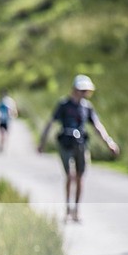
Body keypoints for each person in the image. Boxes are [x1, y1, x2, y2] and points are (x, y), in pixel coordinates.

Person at [37, 74, 119, 222]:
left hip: (81, 144)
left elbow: (97, 126)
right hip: (65, 144)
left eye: (86, 91)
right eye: (82, 90)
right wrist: (42, 142)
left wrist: (109, 143)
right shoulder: (63, 105)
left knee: (80, 177)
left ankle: (76, 209)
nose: (84, 93)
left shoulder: (87, 107)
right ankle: (68, 209)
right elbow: (51, 123)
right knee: (70, 176)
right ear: (75, 89)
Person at [0, 89, 18, 153]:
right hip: (5, 120)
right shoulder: (9, 101)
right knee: (4, 134)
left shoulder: (0, 100)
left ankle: (2, 144)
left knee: (2, 133)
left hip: (3, 120)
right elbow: (14, 111)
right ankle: (2, 144)